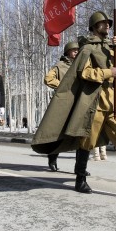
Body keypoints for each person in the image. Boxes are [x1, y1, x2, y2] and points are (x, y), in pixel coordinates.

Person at [32, 11, 116, 198]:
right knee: (87, 139)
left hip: (112, 100)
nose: (107, 26)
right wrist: (107, 72)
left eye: (108, 23)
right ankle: (80, 179)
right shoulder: (87, 48)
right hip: (93, 99)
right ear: (94, 27)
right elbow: (83, 73)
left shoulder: (111, 46)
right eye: (103, 23)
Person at [43, 41, 79, 171]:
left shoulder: (82, 65)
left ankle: (79, 166)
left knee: (79, 134)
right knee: (58, 133)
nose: (76, 51)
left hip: (78, 102)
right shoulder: (60, 66)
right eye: (73, 50)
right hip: (63, 103)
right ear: (67, 52)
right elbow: (48, 79)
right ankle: (52, 158)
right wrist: (63, 86)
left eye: (77, 50)